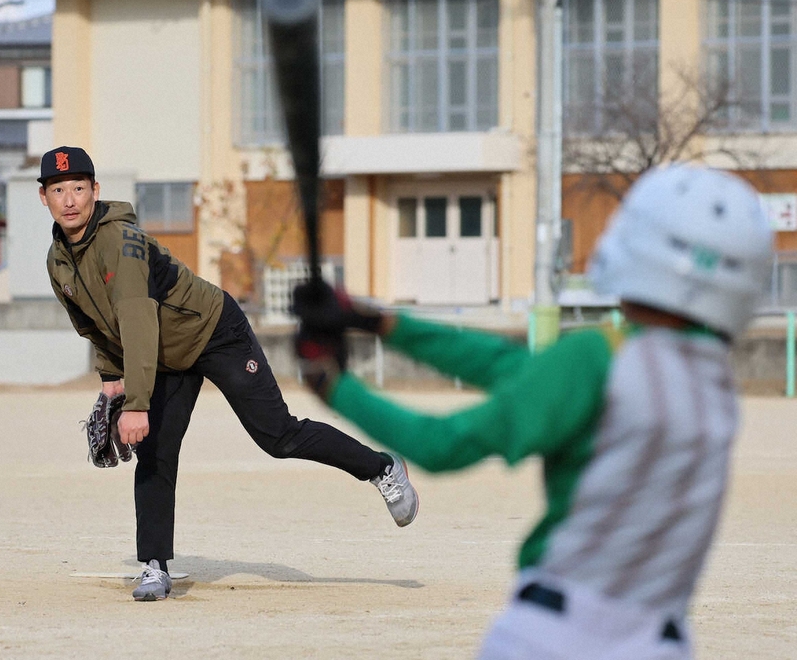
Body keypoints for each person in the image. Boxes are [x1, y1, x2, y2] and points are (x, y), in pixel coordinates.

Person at [292, 164, 774, 659]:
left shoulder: (596, 358)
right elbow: (515, 368)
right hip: (661, 644)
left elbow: (441, 446)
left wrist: (334, 387)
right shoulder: (712, 386)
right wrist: (378, 322)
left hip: (556, 636)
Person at [37, 145, 419, 602]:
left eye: (79, 187)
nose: (70, 199)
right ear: (44, 197)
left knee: (278, 436)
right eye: (58, 190)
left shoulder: (119, 241)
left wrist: (137, 404)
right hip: (164, 353)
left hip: (214, 330)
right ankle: (154, 566)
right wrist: (110, 377)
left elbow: (136, 320)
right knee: (156, 450)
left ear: (95, 191)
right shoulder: (58, 260)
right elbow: (94, 324)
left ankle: (382, 468)